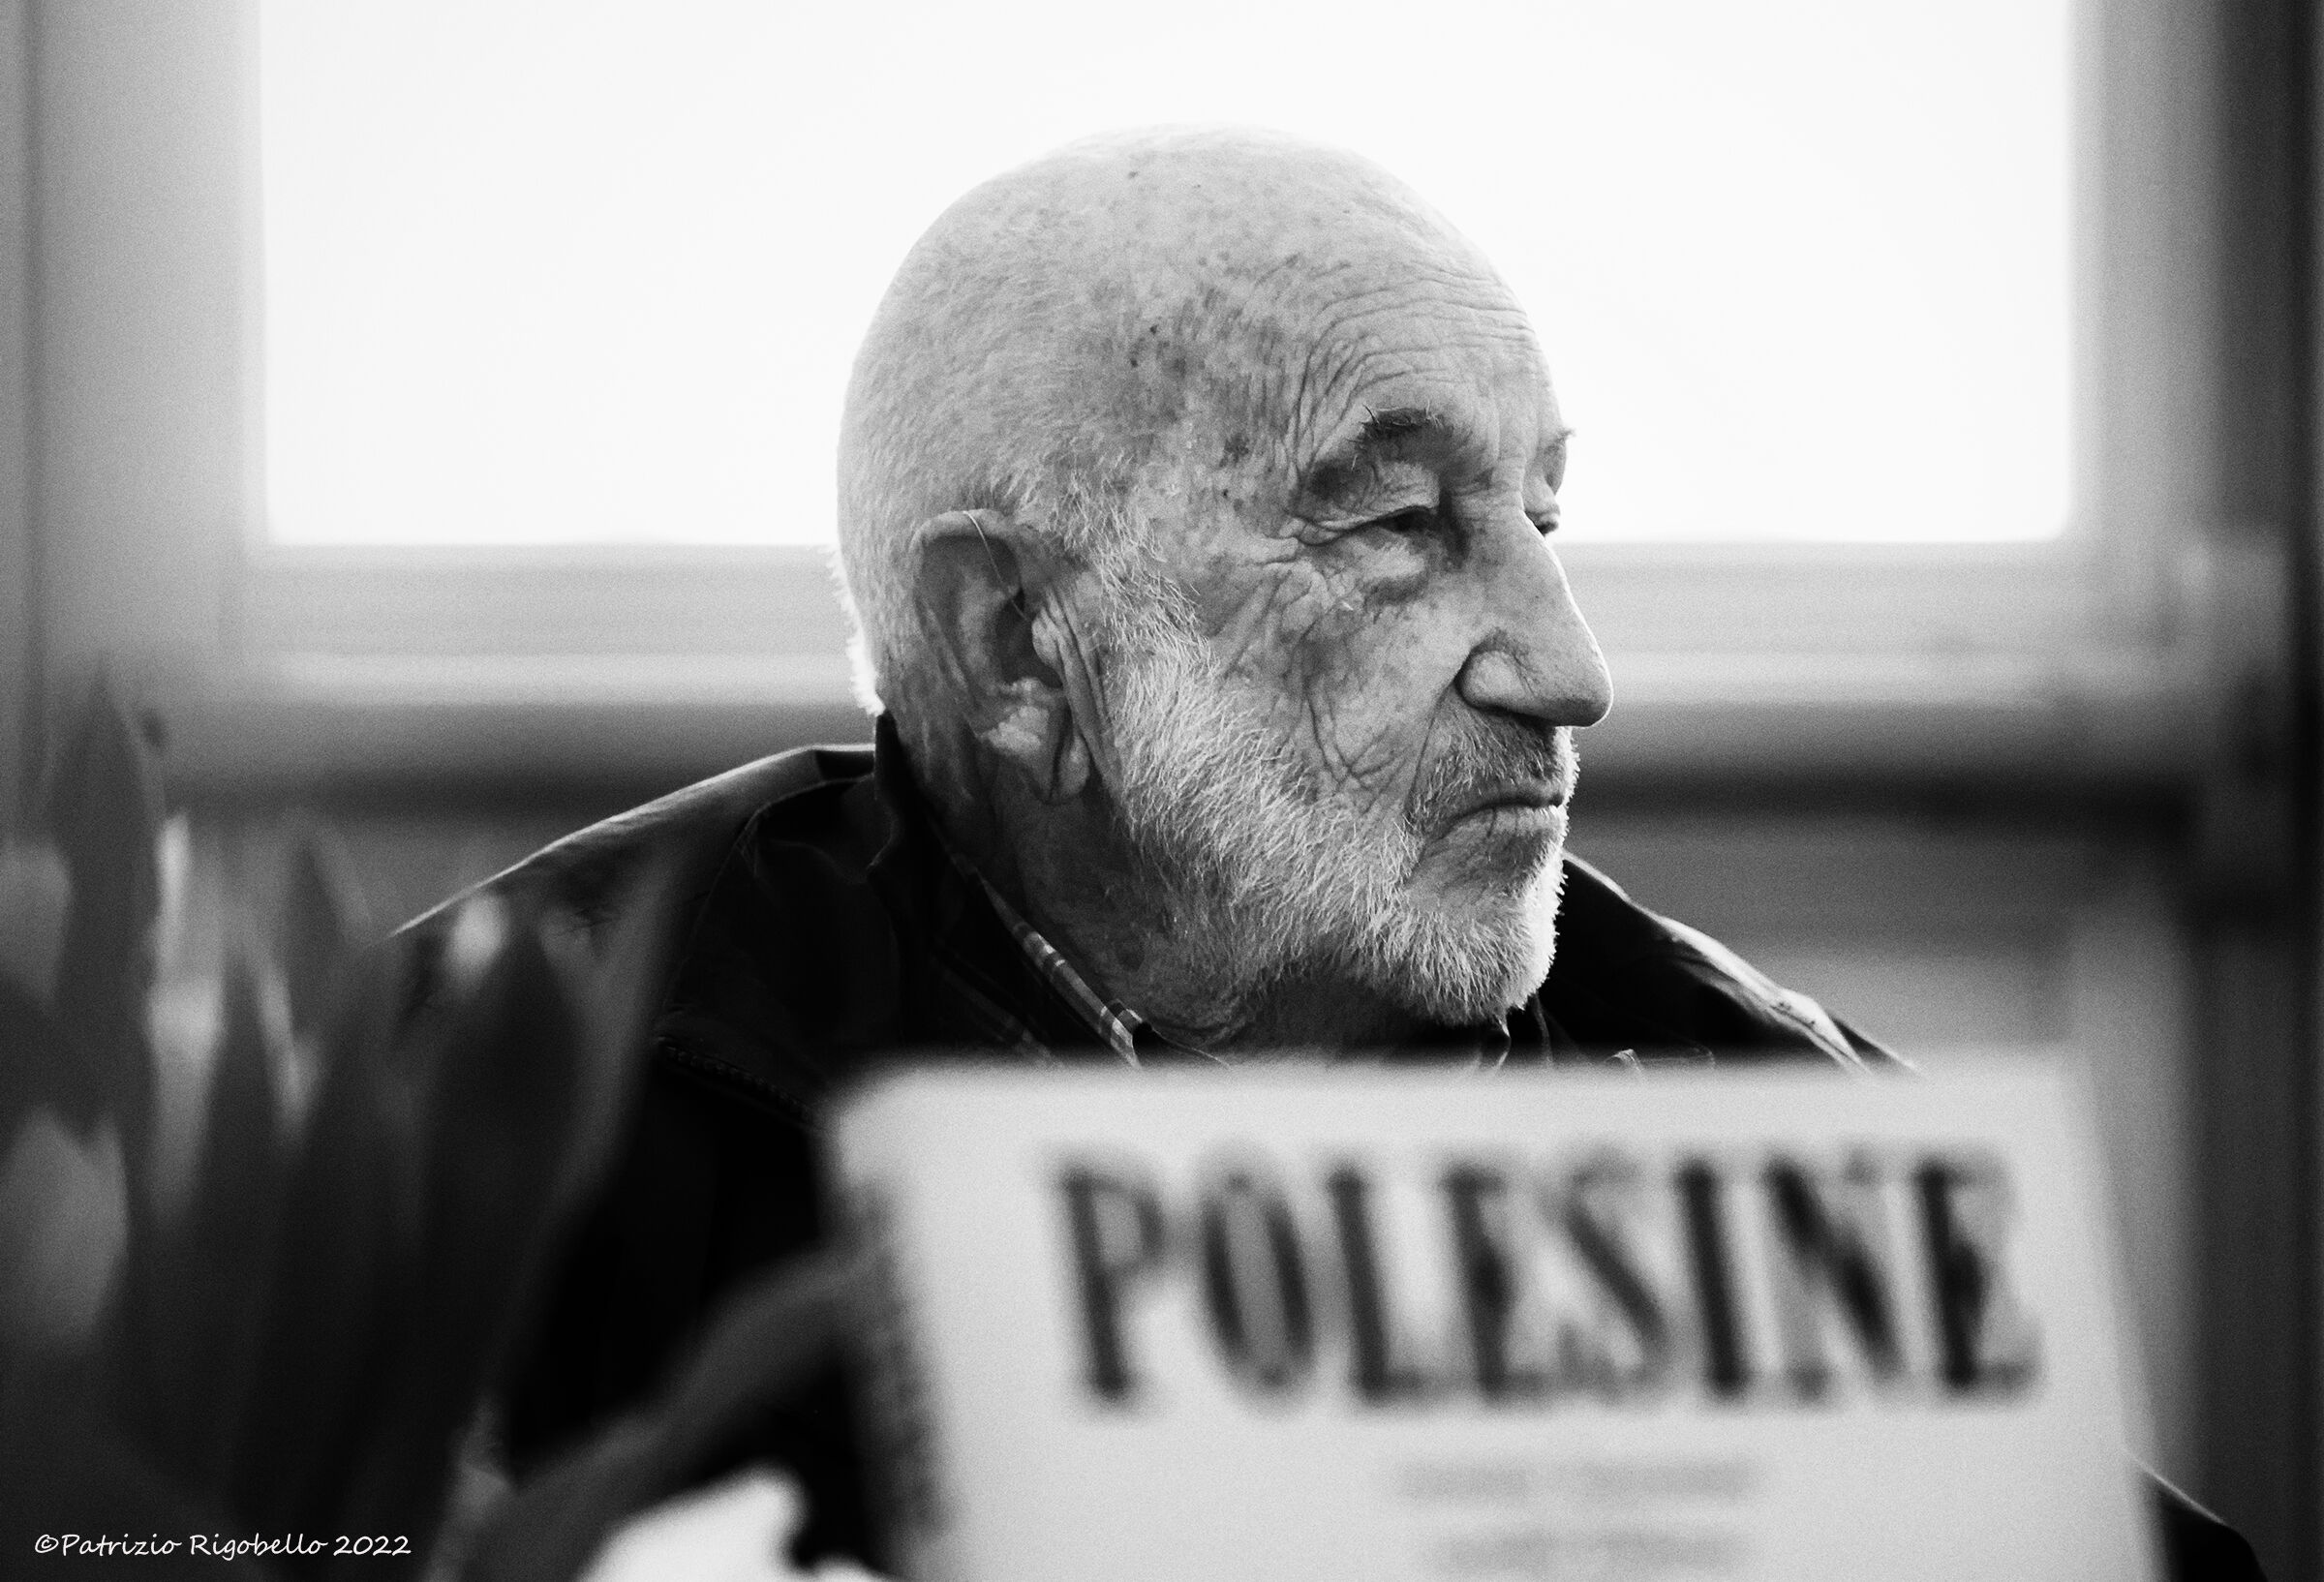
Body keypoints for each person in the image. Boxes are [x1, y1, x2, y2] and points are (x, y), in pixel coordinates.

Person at [413, 129, 2261, 1579]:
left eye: (1544, 512)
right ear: (1015, 648)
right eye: (1396, 522)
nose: (1570, 669)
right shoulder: (487, 1116)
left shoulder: (1751, 1118)